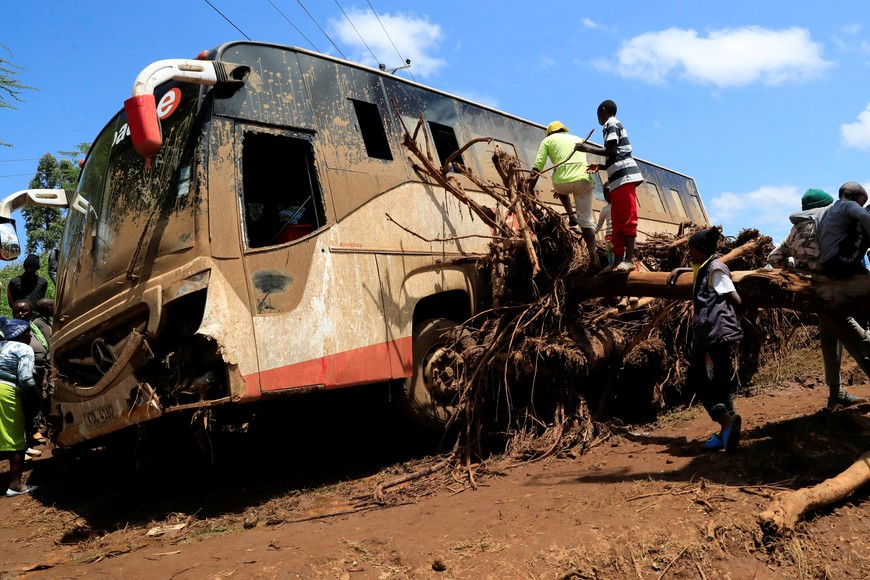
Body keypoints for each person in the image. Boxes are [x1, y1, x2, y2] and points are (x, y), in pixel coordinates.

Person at [767, 188, 868, 407]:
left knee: (830, 342)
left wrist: (794, 269)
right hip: (833, 291)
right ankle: (837, 394)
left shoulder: (794, 231)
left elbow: (773, 258)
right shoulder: (825, 224)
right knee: (860, 341)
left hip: (814, 295)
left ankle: (836, 393)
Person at [667, 227, 743, 452]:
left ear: (701, 249)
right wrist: (679, 269)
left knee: (696, 380)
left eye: (691, 248)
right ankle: (726, 433)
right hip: (712, 333)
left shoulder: (716, 270)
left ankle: (724, 420)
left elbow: (735, 298)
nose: (689, 252)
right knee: (720, 383)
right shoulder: (706, 265)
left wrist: (732, 318)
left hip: (715, 333)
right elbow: (698, 269)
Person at [575, 100, 644, 273]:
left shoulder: (611, 124)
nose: (597, 117)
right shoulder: (610, 126)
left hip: (625, 177)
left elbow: (612, 151)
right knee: (618, 222)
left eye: (598, 113)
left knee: (627, 219)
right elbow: (615, 156)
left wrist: (587, 149)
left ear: (603, 110)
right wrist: (601, 166)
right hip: (617, 180)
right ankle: (617, 261)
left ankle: (628, 260)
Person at [531, 121, 598, 260]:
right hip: (584, 181)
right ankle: (594, 258)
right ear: (563, 130)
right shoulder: (577, 139)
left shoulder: (547, 140)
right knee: (586, 222)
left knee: (560, 182)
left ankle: (571, 217)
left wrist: (527, 190)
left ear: (550, 133)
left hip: (561, 184)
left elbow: (538, 166)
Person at [0, 317, 38, 496]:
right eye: (28, 332)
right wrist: (36, 399)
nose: (30, 335)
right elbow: (26, 379)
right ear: (20, 334)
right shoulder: (23, 348)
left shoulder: (1, 347)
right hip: (6, 391)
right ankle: (15, 486)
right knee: (15, 438)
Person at [817, 181, 870, 279]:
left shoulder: (829, 211)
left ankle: (859, 268)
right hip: (840, 261)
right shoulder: (848, 204)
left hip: (827, 262)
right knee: (868, 212)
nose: (861, 206)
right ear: (855, 196)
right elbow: (864, 215)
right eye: (862, 202)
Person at [595, 188, 614, 268]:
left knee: (617, 260)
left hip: (618, 237)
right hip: (609, 238)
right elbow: (598, 226)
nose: (607, 196)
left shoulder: (620, 205)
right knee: (611, 260)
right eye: (605, 194)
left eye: (609, 193)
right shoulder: (604, 209)